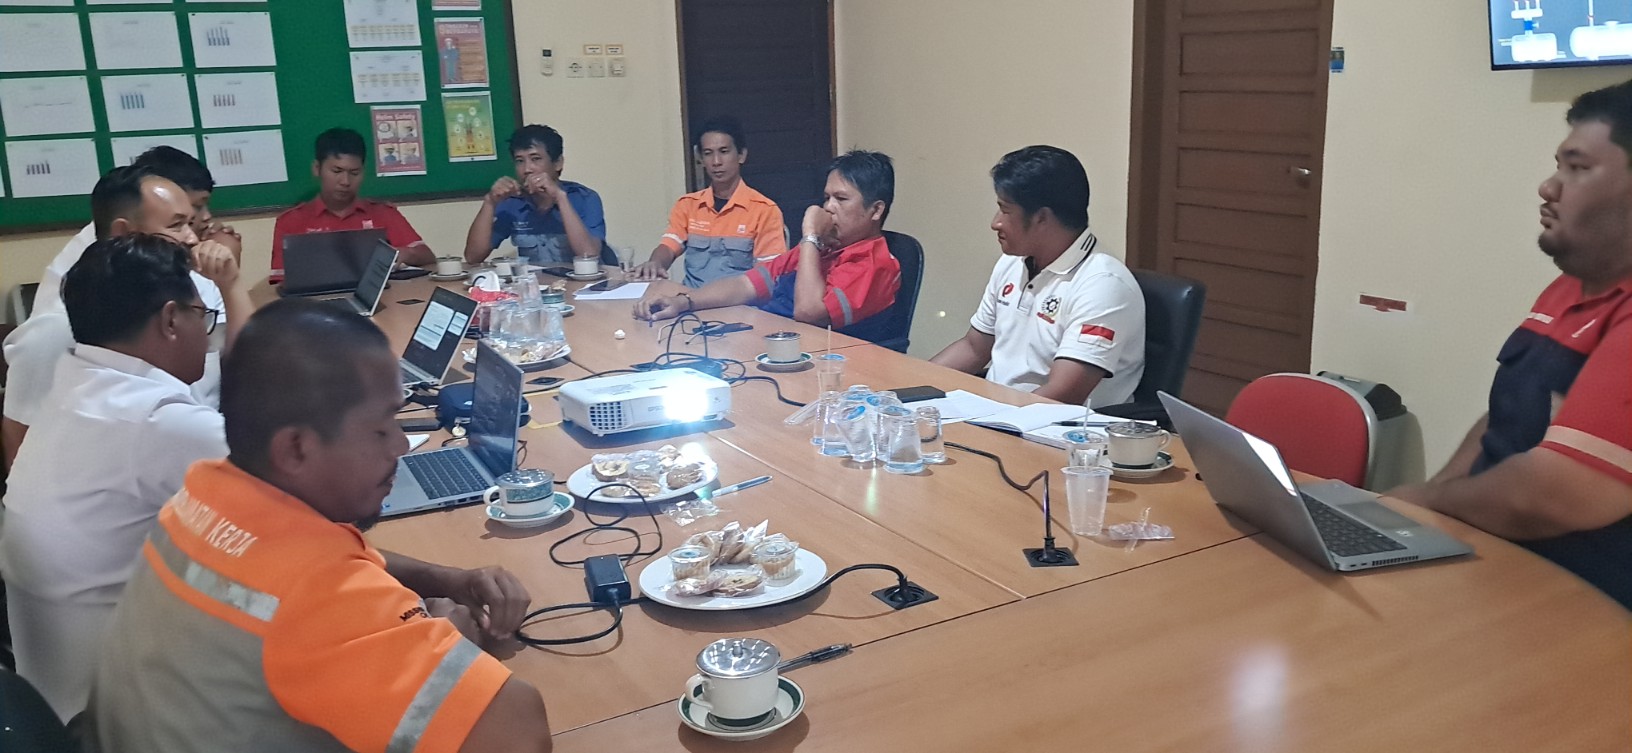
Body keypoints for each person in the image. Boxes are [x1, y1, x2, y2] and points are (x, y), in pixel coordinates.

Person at [83, 300, 550, 753]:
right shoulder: (317, 591)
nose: (401, 445)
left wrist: (448, 580)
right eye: (382, 427)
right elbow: (518, 734)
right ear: (296, 449)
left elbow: (304, 571)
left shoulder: (203, 493)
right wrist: (455, 644)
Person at [1390, 81, 1632, 607]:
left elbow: (1555, 494)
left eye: (1577, 168)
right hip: (1494, 572)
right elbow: (1507, 416)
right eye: (1557, 166)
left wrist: (1428, 500)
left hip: (1587, 610)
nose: (1549, 187)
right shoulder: (1570, 285)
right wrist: (1419, 515)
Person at [1, 234, 229, 721]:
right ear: (171, 320)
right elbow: (306, 509)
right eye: (203, 316)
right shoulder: (158, 420)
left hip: (51, 697)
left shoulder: (75, 386)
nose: (207, 336)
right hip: (122, 716)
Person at [1, 166, 244, 471]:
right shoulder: (61, 329)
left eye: (191, 223)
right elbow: (21, 449)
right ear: (125, 233)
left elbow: (244, 363)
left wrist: (231, 284)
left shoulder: (188, 284)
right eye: (177, 225)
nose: (193, 238)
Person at [931, 146, 1146, 406]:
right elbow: (974, 348)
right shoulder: (1012, 263)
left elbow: (1063, 394)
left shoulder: (1103, 284)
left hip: (1057, 424)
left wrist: (989, 418)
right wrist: (910, 388)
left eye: (1005, 210)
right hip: (998, 410)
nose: (995, 223)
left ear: (1042, 217)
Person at [634, 150, 901, 339]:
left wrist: (809, 235)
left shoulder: (874, 263)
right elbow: (746, 285)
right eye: (826, 197)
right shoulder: (824, 248)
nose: (828, 208)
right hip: (769, 340)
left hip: (824, 366)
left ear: (876, 210)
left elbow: (809, 313)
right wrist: (683, 302)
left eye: (841, 199)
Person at [631, 117, 788, 286]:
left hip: (740, 300)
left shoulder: (764, 210)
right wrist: (655, 263)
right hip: (689, 297)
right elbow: (668, 247)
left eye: (724, 151)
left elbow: (767, 276)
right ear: (700, 158)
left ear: (741, 155)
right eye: (708, 153)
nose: (716, 162)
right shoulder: (688, 205)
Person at [270, 128, 436, 279]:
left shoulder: (383, 213)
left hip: (376, 299)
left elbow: (427, 256)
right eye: (337, 171)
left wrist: (406, 254)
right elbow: (279, 282)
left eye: (354, 173)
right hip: (314, 301)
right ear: (317, 168)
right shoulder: (291, 222)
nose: (345, 181)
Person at [464, 124, 607, 266]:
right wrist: (489, 202)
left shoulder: (585, 198)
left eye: (536, 159)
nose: (527, 169)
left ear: (558, 163)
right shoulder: (512, 202)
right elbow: (473, 257)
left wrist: (560, 199)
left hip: (578, 280)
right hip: (533, 280)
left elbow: (589, 255)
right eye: (520, 161)